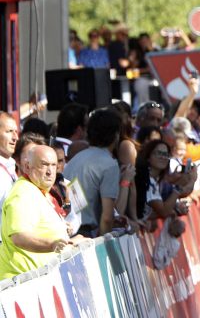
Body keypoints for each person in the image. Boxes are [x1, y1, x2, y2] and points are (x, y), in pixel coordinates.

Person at [0, 145, 76, 279]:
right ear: (27, 167)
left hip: (39, 282)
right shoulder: (22, 193)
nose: (50, 171)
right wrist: (52, 245)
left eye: (53, 165)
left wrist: (74, 242)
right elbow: (19, 237)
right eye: (44, 165)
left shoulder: (39, 191)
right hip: (20, 284)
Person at [63, 108, 134, 237]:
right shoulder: (109, 164)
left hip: (69, 232)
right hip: (86, 236)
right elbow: (108, 216)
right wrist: (126, 181)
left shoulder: (77, 158)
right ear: (116, 135)